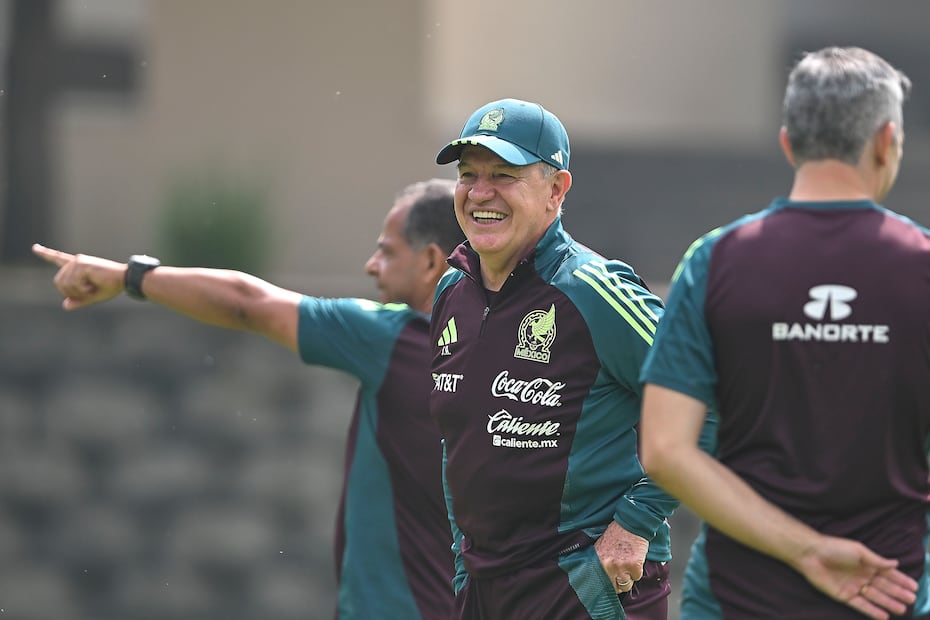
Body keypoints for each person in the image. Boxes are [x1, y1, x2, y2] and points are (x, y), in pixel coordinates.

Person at [32, 178, 465, 620]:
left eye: (387, 251)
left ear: (431, 260)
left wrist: (130, 276)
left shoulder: (395, 340)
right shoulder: (504, 362)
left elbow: (247, 302)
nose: (372, 265)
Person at [638, 46, 928, 619]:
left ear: (788, 142)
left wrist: (808, 550)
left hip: (735, 599)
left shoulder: (713, 261)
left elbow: (665, 450)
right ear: (886, 140)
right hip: (893, 593)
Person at [429, 97, 683, 620]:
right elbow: (459, 443)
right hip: (486, 586)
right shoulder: (452, 290)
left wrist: (637, 522)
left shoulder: (593, 289)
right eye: (468, 174)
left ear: (556, 190)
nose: (480, 192)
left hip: (587, 579)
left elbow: (709, 396)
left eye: (504, 174)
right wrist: (463, 563)